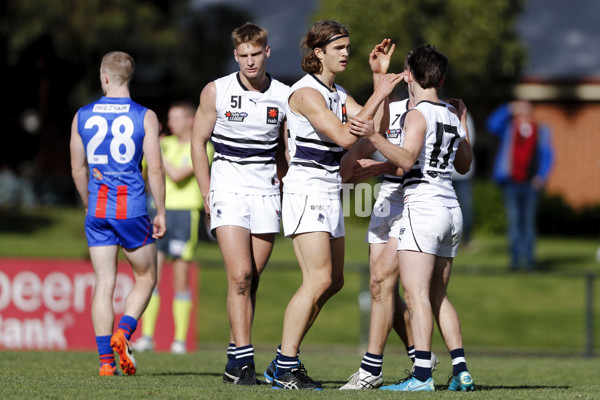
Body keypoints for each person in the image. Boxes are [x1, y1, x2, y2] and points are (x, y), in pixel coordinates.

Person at [266, 20, 403, 390]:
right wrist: (378, 94)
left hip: (329, 189)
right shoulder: (305, 93)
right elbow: (346, 135)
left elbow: (377, 131)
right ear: (318, 53)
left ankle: (282, 360)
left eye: (347, 47)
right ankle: (285, 366)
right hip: (306, 189)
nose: (346, 53)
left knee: (335, 281)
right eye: (338, 48)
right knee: (318, 278)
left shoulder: (338, 93)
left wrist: (379, 79)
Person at [352, 44, 475, 392]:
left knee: (416, 294)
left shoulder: (416, 114)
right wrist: (462, 124)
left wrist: (374, 136)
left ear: (408, 74)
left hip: (423, 207)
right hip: (452, 210)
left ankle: (421, 375)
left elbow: (406, 160)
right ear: (442, 77)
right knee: (438, 295)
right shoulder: (452, 114)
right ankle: (461, 369)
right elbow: (464, 164)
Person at [190, 22, 289, 385]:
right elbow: (197, 143)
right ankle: (244, 363)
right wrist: (207, 193)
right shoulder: (216, 90)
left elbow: (286, 150)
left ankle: (236, 359)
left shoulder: (284, 95)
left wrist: (288, 181)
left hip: (265, 192)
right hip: (227, 189)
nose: (250, 62)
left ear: (266, 52)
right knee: (240, 276)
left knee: (253, 279)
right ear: (236, 55)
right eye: (243, 56)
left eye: (255, 54)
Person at [69, 51, 166, 376]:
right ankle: (123, 332)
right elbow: (154, 167)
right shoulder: (145, 116)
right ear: (129, 76)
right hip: (131, 208)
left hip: (97, 208)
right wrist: (161, 210)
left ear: (105, 77)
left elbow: (77, 168)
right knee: (146, 277)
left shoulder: (82, 115)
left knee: (103, 282)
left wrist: (86, 202)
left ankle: (105, 364)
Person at [338, 92, 439, 390]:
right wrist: (346, 167)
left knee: (382, 281)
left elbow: (415, 163)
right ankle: (420, 356)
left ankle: (371, 370)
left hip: (413, 202)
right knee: (381, 287)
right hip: (385, 201)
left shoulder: (426, 115)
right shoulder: (391, 112)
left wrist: (379, 167)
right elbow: (353, 160)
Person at [133, 101, 213, 354]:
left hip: (184, 215)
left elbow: (178, 174)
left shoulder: (202, 146)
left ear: (191, 120)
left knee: (180, 278)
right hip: (158, 211)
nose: (171, 124)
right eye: (169, 118)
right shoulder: (164, 144)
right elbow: (144, 172)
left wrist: (154, 148)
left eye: (176, 118)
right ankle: (147, 337)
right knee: (151, 276)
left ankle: (179, 340)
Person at [486, 100, 554, 271]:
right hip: (511, 183)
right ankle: (515, 262)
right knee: (514, 222)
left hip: (530, 185)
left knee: (528, 223)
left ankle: (529, 261)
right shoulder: (508, 128)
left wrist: (541, 176)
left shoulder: (541, 131)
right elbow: (491, 124)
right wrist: (508, 108)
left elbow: (548, 156)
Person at [451, 112, 476, 247]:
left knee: (465, 207)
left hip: (461, 174)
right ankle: (450, 238)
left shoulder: (464, 117)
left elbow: (468, 142)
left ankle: (466, 238)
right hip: (444, 173)